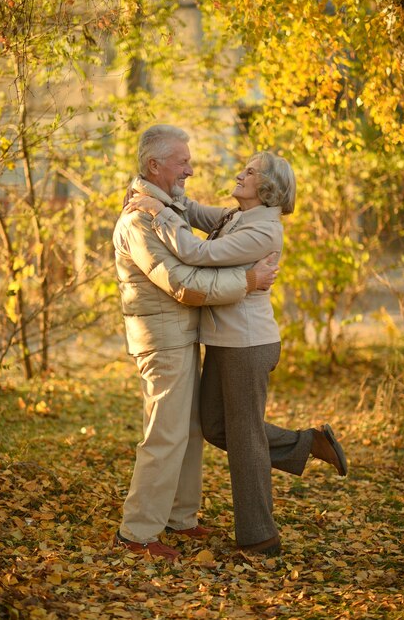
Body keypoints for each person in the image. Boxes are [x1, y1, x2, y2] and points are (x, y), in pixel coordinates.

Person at [126, 150, 348, 557]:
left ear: (266, 188)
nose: (240, 174)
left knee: (245, 438)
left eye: (249, 172)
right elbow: (191, 210)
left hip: (248, 345)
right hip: (223, 343)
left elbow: (197, 255)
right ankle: (307, 443)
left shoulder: (264, 231)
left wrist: (157, 214)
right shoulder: (236, 216)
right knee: (214, 427)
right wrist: (152, 195)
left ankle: (259, 536)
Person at [112, 125, 279, 561]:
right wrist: (247, 280)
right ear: (155, 165)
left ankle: (179, 518)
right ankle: (138, 532)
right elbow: (182, 283)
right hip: (161, 339)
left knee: (188, 431)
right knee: (163, 435)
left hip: (181, 334)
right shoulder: (141, 219)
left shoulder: (164, 205)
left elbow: (194, 211)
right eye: (182, 161)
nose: (190, 168)